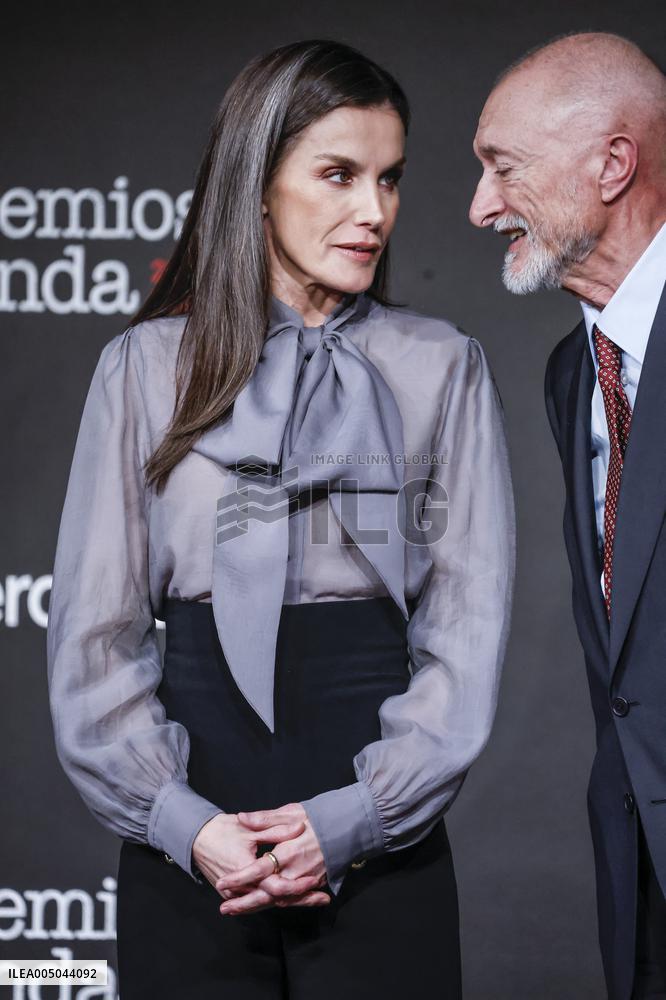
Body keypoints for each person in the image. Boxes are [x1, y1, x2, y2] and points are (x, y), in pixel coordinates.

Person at [47, 39, 515, 1000]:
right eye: (339, 174)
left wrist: (358, 819)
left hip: (381, 814)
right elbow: (96, 633)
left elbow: (464, 631)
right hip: (193, 820)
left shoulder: (443, 366)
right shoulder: (143, 369)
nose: (373, 211)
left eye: (389, 179)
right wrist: (184, 823)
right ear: (258, 183)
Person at [469, 30, 666, 1000]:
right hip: (636, 878)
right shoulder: (568, 376)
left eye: (502, 167)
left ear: (613, 162)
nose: (479, 207)